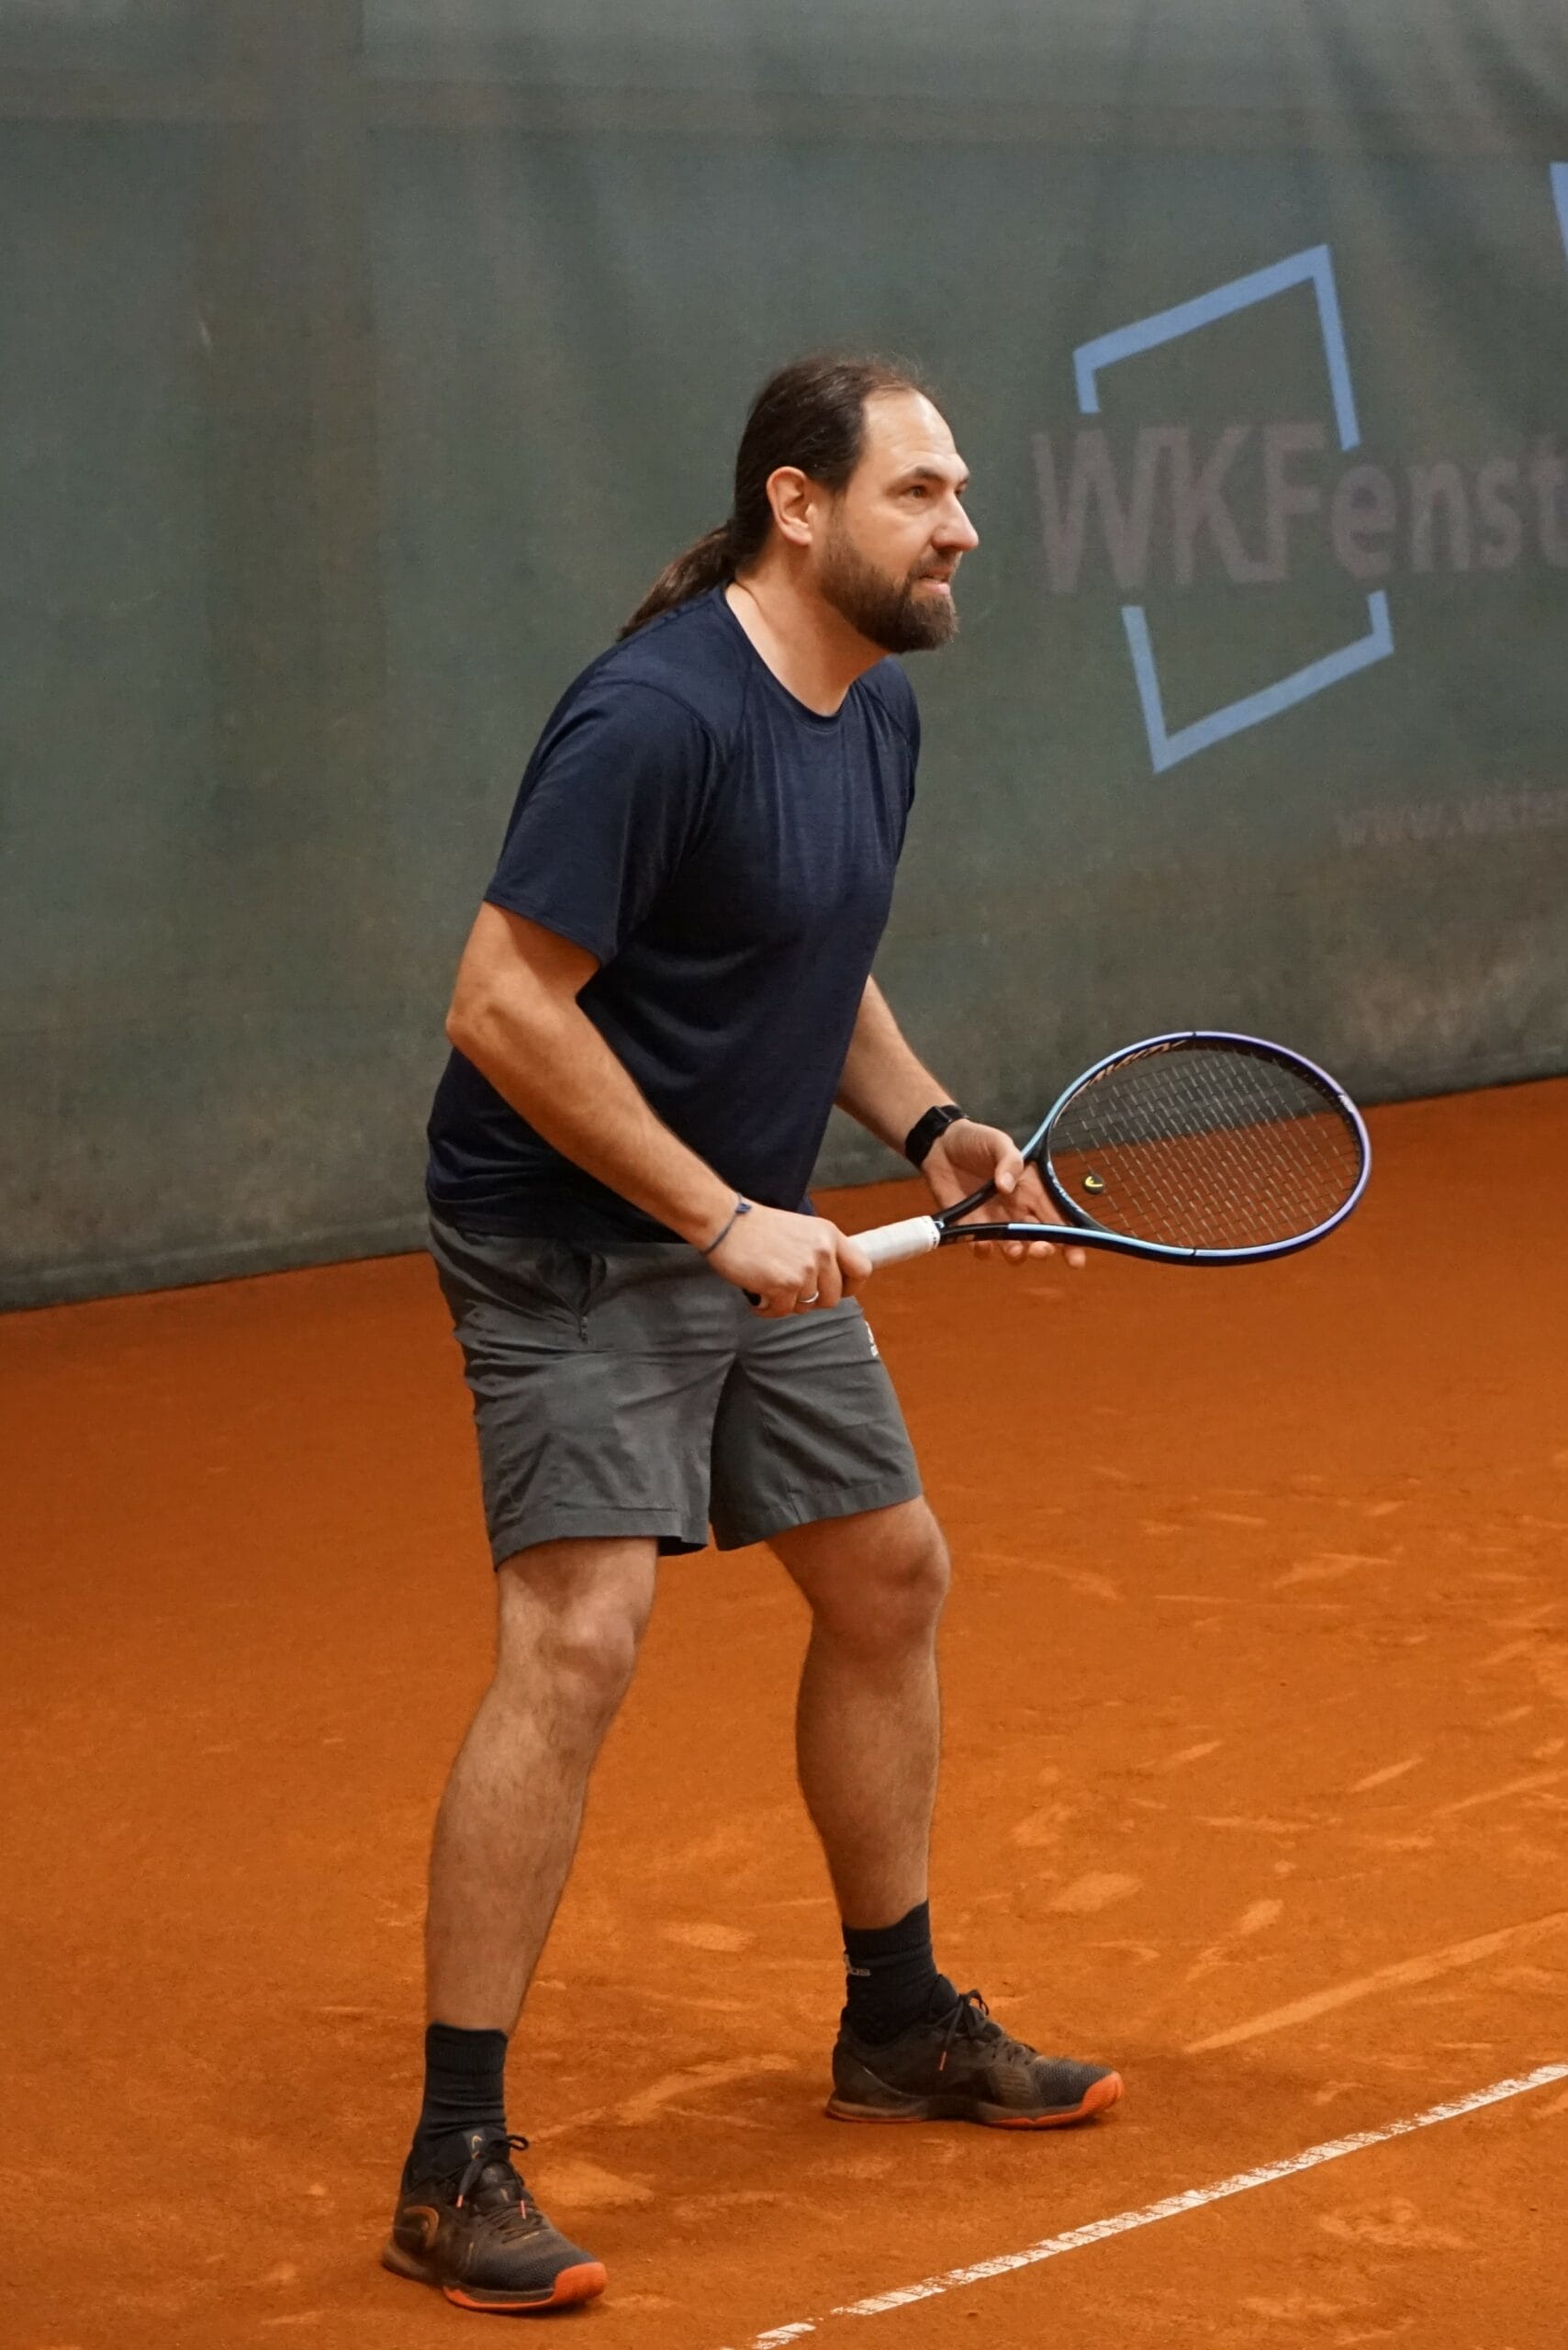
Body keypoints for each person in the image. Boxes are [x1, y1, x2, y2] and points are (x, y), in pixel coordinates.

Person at [382, 354, 1122, 2315]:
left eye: (958, 491)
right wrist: (713, 1216)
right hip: (568, 1232)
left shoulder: (869, 707)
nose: (962, 526)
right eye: (920, 492)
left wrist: (930, 1123)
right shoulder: (654, 715)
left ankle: (895, 2023)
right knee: (578, 1637)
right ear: (797, 504)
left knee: (886, 1572)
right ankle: (452, 2160)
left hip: (743, 1221)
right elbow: (499, 1005)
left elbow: (812, 947)